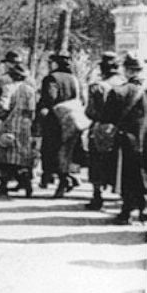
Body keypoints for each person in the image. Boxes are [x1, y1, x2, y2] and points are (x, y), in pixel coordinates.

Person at [101, 54, 147, 224]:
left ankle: (127, 210)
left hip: (128, 140)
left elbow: (107, 118)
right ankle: (144, 208)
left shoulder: (118, 91)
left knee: (128, 175)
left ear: (126, 70)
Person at [37, 50, 84, 197]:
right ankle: (69, 177)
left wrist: (41, 108)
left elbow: (50, 97)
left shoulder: (51, 78)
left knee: (52, 150)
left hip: (55, 119)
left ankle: (63, 180)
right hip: (73, 118)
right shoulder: (75, 79)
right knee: (68, 150)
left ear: (55, 63)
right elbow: (82, 100)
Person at [84, 52, 126, 210]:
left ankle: (97, 196)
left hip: (101, 128)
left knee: (96, 161)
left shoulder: (97, 86)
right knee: (118, 161)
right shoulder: (125, 84)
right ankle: (122, 196)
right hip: (121, 128)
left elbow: (90, 112)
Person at [0, 63, 36, 197]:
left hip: (10, 124)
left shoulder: (8, 88)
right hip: (25, 126)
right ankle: (27, 184)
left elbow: (3, 107)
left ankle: (3, 185)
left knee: (5, 156)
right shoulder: (30, 90)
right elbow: (32, 110)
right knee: (22, 156)